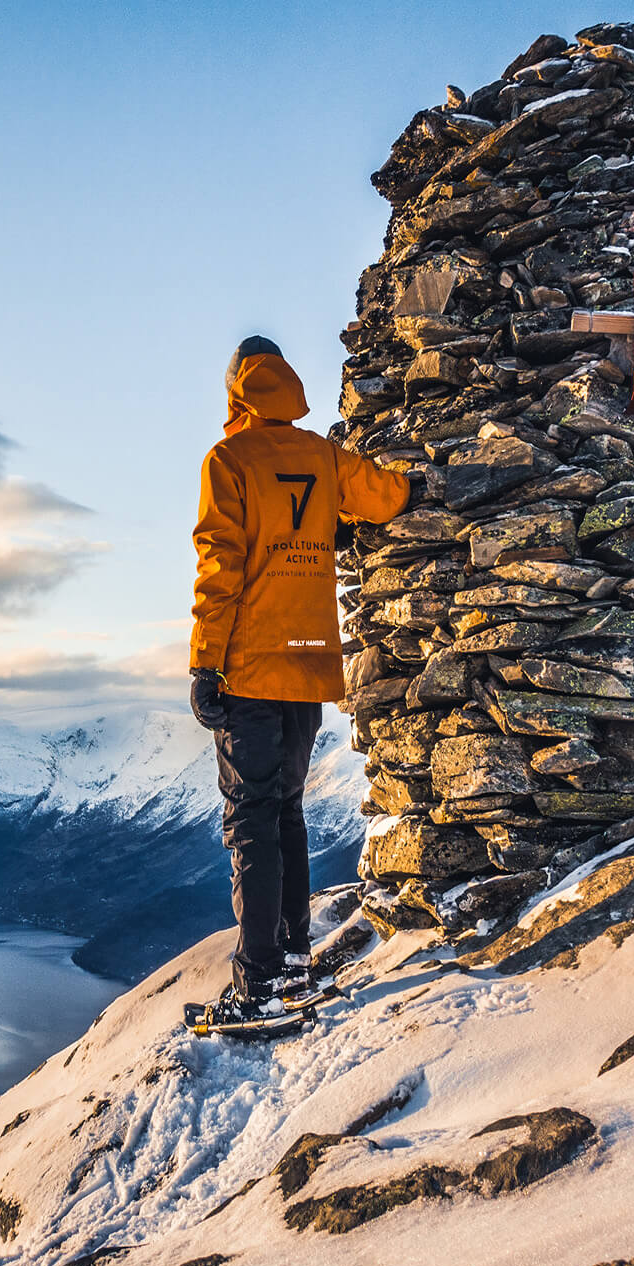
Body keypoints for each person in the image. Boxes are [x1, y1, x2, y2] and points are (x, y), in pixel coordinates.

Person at [189, 335, 410, 1025]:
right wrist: (410, 489)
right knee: (285, 811)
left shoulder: (229, 460)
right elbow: (382, 495)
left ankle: (260, 983)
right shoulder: (320, 455)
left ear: (235, 392)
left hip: (252, 666)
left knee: (250, 817)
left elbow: (221, 566)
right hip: (311, 667)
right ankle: (291, 961)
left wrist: (205, 662)